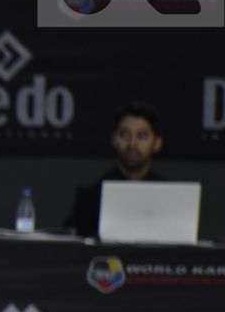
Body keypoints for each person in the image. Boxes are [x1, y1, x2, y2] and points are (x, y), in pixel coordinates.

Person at [66, 101, 166, 237]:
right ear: (114, 139)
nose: (132, 144)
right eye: (125, 135)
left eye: (142, 136)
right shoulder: (89, 199)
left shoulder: (168, 200)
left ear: (157, 143)